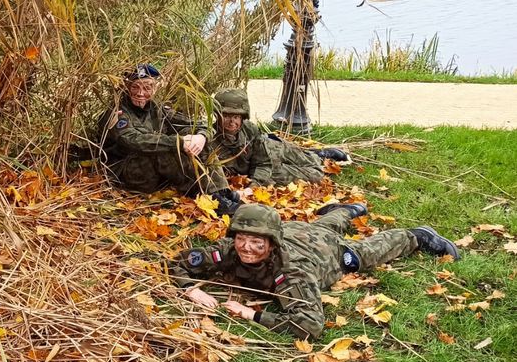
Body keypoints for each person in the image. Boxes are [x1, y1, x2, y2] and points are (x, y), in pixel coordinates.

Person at [172, 203, 460, 339]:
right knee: (320, 225)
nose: (246, 248)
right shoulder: (231, 248)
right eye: (241, 239)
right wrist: (190, 288)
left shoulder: (293, 273)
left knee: (362, 254)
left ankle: (416, 235)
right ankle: (346, 211)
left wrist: (254, 315)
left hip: (328, 252)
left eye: (256, 243)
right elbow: (181, 261)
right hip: (297, 230)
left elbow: (309, 325)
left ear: (271, 244)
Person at [96, 64, 240, 215]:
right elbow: (133, 140)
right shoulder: (117, 112)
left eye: (147, 87)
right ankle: (206, 196)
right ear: (126, 87)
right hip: (127, 174)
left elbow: (201, 124)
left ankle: (220, 193)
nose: (141, 93)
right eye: (135, 87)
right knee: (163, 147)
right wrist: (180, 142)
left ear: (155, 89)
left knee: (194, 137)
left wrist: (201, 136)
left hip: (155, 174)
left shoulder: (156, 108)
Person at [212, 88, 348, 187]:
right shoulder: (210, 139)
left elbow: (262, 158)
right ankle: (318, 160)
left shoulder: (249, 129)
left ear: (243, 117)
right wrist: (255, 185)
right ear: (218, 116)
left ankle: (317, 154)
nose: (231, 122)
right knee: (316, 176)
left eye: (236, 117)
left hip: (270, 148)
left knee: (304, 157)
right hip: (261, 170)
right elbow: (263, 166)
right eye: (226, 116)